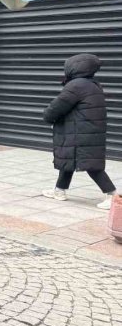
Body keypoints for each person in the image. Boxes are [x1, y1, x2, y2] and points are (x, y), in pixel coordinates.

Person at [43, 53, 116, 209]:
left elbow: (57, 106)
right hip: (86, 130)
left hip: (81, 131)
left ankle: (112, 195)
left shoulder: (77, 85)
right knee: (69, 159)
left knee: (90, 164)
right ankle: (59, 190)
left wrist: (48, 116)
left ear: (74, 67)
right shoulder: (92, 84)